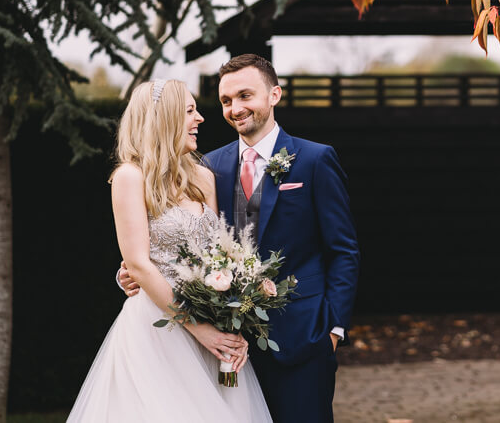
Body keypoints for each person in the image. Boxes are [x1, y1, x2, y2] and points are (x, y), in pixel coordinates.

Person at [119, 55, 359, 423]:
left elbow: (343, 250)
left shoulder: (315, 160)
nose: (235, 108)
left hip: (303, 338)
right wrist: (133, 271)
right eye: (227, 100)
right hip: (224, 345)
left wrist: (333, 330)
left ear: (274, 94)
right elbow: (186, 243)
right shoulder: (208, 167)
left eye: (245, 95)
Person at [69, 79, 272, 422]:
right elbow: (138, 263)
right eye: (190, 110)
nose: (200, 119)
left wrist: (232, 314)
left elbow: (218, 254)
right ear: (164, 118)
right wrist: (198, 328)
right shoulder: (129, 177)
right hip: (158, 330)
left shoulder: (202, 177)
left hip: (211, 325)